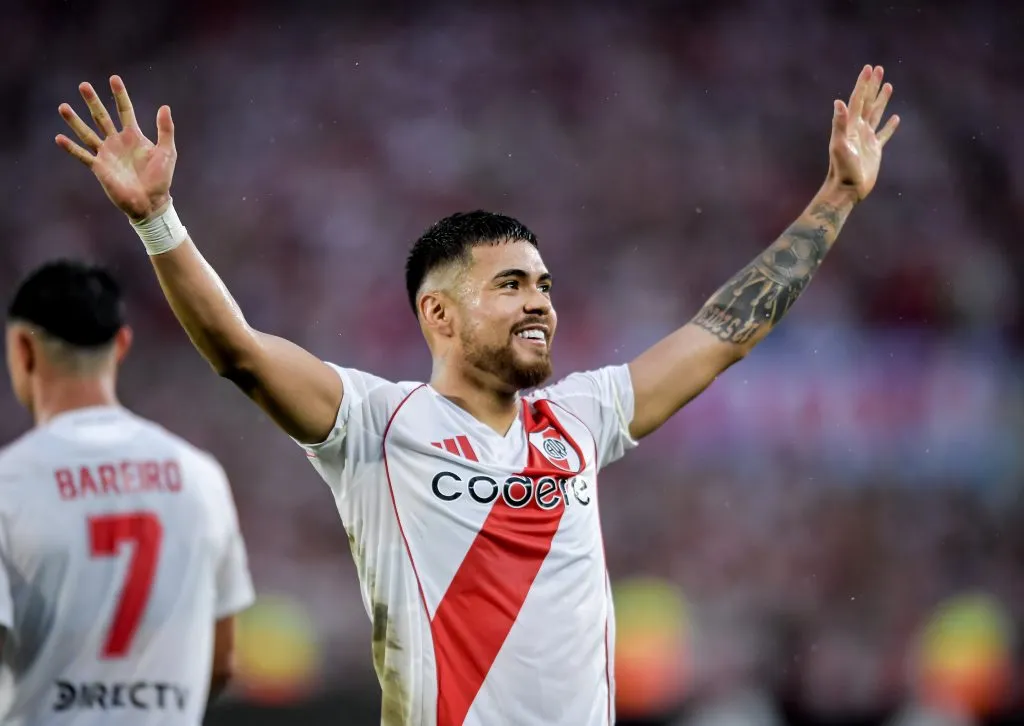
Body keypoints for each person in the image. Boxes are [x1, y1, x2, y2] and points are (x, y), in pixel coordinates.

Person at [54, 64, 899, 726]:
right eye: (510, 284)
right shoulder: (374, 426)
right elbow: (238, 352)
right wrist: (158, 219)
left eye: (544, 282)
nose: (540, 300)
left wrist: (837, 197)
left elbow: (726, 332)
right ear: (440, 313)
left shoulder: (582, 415)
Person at [0, 261, 255, 725]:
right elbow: (221, 662)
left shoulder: (10, 484)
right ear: (121, 345)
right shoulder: (200, 475)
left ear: (22, 348)